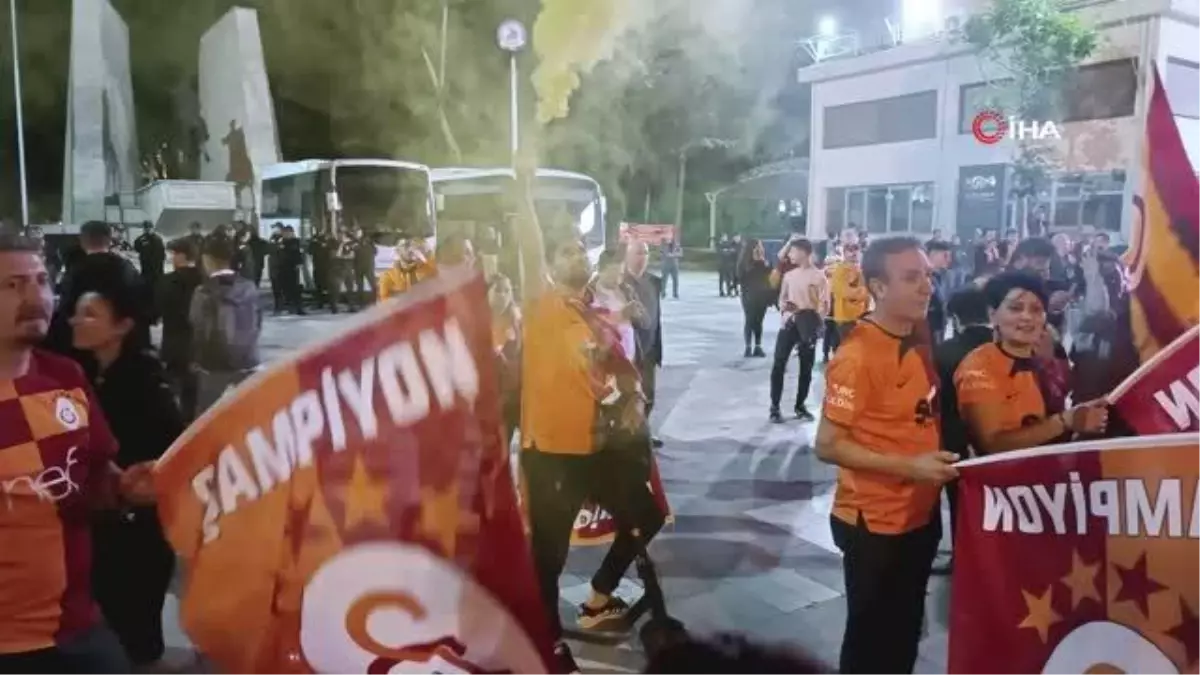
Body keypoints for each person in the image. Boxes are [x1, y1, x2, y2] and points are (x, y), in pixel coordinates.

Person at [512, 167, 664, 674]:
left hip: (601, 450)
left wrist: (632, 400)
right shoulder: (539, 304)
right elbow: (528, 250)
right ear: (552, 266)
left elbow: (619, 373)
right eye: (566, 251)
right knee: (548, 557)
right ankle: (546, 640)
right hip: (551, 453)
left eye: (580, 248)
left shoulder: (596, 312)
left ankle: (600, 594)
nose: (577, 255)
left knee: (648, 516)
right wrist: (523, 191)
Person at [0, 232, 156, 674]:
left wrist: (124, 487)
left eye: (42, 280)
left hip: (77, 629)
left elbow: (93, 478)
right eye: (13, 285)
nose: (36, 297)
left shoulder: (64, 377)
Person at [814, 236, 958, 675]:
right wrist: (909, 466)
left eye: (928, 277)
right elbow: (827, 444)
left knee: (905, 629)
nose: (926, 288)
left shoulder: (918, 332)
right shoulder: (857, 354)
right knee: (870, 638)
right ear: (877, 287)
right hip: (873, 523)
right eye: (911, 278)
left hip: (920, 515)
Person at [71, 277, 185, 671]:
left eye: (90, 314)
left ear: (122, 326)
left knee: (133, 626)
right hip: (102, 518)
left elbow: (170, 452)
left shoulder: (147, 381)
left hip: (138, 526)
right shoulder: (80, 374)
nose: (75, 321)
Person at [955, 272, 1108, 456]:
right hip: (1002, 481)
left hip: (1054, 477)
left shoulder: (1048, 361)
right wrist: (1064, 421)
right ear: (993, 315)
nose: (1027, 317)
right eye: (1015, 308)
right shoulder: (978, 367)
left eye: (1036, 310)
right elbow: (993, 444)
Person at [931, 286, 993, 575]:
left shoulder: (944, 352)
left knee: (959, 500)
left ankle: (963, 556)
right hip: (1000, 438)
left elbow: (935, 401)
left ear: (955, 317)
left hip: (956, 438)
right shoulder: (1002, 345)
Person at [45, 221, 148, 364]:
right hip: (122, 347)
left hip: (85, 351)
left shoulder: (76, 271)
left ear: (82, 241)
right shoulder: (127, 269)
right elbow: (141, 304)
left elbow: (66, 308)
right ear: (110, 239)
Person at [190, 235, 263, 413]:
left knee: (211, 422)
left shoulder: (203, 292)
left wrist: (197, 360)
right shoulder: (249, 287)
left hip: (214, 367)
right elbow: (258, 323)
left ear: (207, 259)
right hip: (248, 363)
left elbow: (199, 329)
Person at [769, 238, 828, 423]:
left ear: (804, 252)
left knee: (806, 366)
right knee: (779, 363)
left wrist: (817, 322)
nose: (790, 255)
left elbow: (824, 304)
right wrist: (786, 310)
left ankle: (800, 405)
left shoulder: (820, 277)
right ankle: (774, 406)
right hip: (789, 323)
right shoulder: (789, 276)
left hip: (808, 325)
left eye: (793, 251)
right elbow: (782, 299)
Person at [156, 238, 205, 422]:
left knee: (173, 391)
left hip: (174, 343)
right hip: (200, 344)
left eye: (174, 254)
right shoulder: (205, 280)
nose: (172, 258)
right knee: (195, 392)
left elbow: (157, 309)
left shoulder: (168, 281)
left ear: (182, 255)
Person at [623, 241, 665, 448]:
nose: (642, 257)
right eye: (638, 253)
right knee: (630, 395)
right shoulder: (621, 284)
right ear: (628, 255)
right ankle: (630, 435)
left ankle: (644, 430)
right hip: (629, 351)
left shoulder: (653, 282)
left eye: (646, 253)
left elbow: (657, 317)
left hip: (649, 349)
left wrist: (658, 347)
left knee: (649, 394)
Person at [489, 274, 522, 446]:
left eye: (507, 291)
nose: (503, 295)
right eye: (498, 290)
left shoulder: (517, 321)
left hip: (516, 396)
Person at [826, 231, 868, 343]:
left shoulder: (862, 271)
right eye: (849, 249)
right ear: (844, 251)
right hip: (845, 319)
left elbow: (868, 294)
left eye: (856, 248)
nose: (853, 252)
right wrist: (861, 292)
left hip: (861, 318)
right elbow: (843, 292)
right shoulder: (839, 271)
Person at [737, 239, 772, 357]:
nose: (760, 250)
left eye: (761, 247)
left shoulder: (764, 262)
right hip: (749, 296)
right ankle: (748, 347)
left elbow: (770, 277)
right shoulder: (744, 264)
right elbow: (740, 277)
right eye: (758, 247)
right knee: (749, 320)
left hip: (762, 296)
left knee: (759, 322)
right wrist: (756, 264)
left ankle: (758, 346)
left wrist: (763, 263)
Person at [925, 239, 953, 344]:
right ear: (933, 255)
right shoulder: (922, 275)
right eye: (945, 256)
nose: (949, 260)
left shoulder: (943, 276)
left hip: (940, 325)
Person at [132, 222, 165, 294]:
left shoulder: (158, 239)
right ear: (144, 229)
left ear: (152, 229)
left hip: (156, 266)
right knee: (146, 284)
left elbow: (162, 253)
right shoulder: (141, 239)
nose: (148, 230)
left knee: (156, 285)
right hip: (146, 266)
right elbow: (136, 248)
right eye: (146, 228)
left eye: (149, 228)